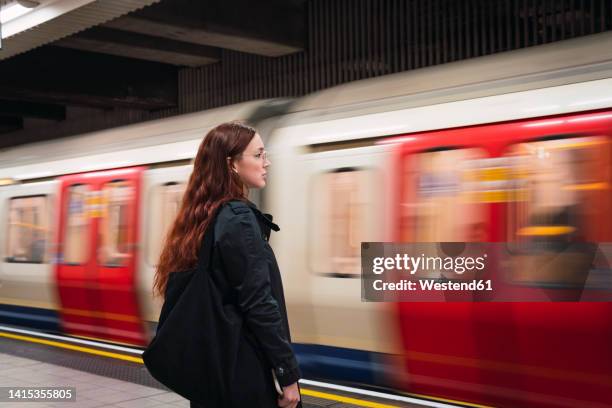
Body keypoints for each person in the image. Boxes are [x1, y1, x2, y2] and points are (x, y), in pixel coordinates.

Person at [153, 122, 302, 408]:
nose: (266, 162)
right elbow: (258, 302)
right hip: (244, 373)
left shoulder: (204, 217)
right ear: (231, 163)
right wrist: (287, 373)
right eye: (258, 155)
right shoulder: (238, 218)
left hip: (216, 372)